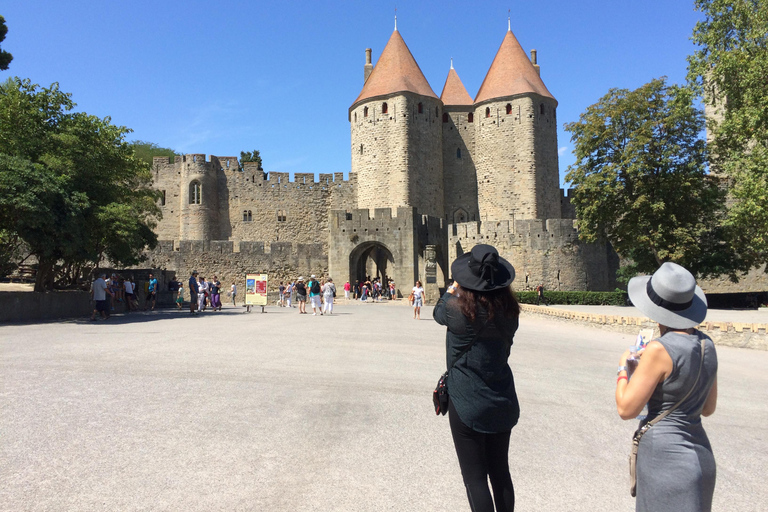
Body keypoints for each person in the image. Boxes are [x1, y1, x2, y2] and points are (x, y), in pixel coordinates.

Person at [615, 262, 718, 512]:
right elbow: (708, 408)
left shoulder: (658, 349)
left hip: (665, 457)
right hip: (701, 455)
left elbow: (626, 408)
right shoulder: (707, 345)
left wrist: (622, 370)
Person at [433, 244, 520, 512]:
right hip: (502, 396)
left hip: (466, 399)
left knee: (474, 478)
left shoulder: (455, 309)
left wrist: (451, 290)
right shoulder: (510, 313)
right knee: (500, 472)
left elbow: (437, 313)